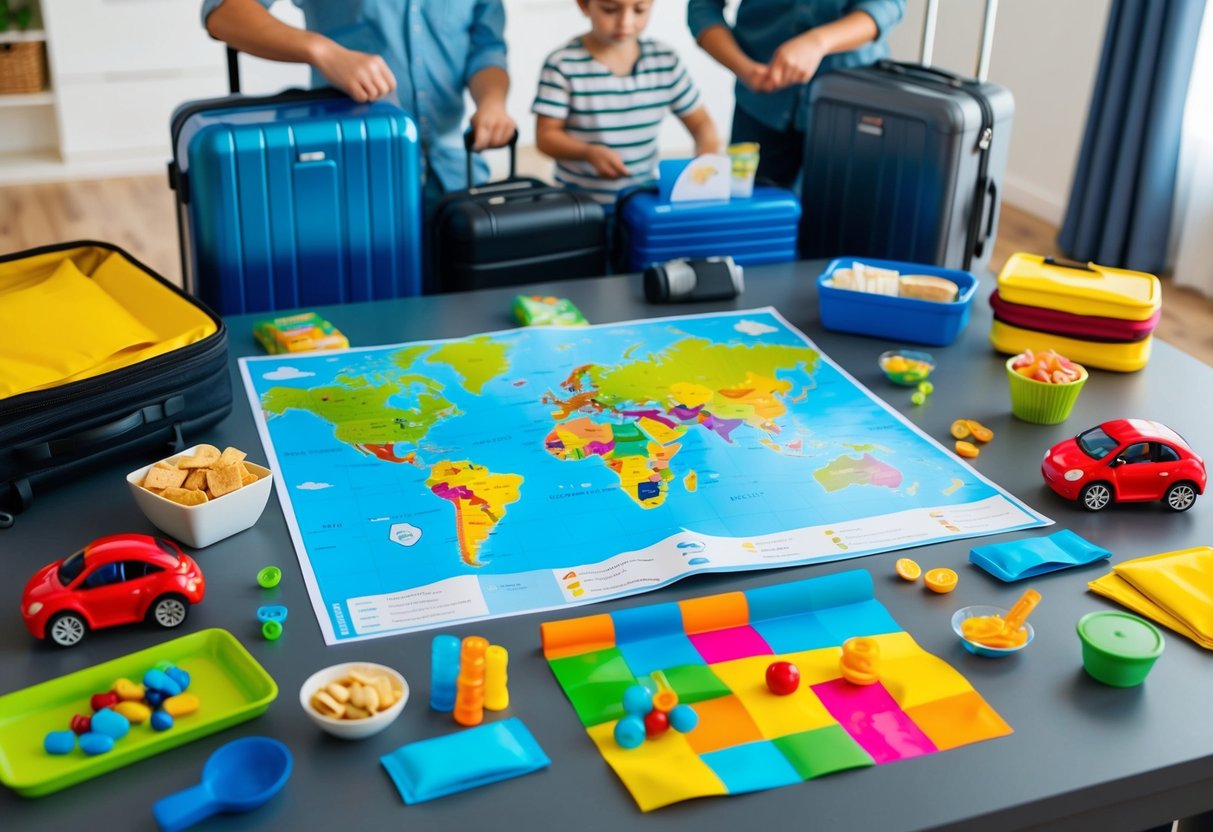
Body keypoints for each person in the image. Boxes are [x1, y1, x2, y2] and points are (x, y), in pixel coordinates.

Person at [201, 0, 517, 198]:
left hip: (456, 173)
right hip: (357, 177)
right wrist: (322, 51)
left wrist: (492, 103)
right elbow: (222, 12)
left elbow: (487, 49)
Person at [688, 0, 905, 189]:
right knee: (754, 224)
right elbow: (703, 5)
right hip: (759, 109)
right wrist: (744, 68)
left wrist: (818, 41)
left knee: (841, 225)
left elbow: (886, 5)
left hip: (850, 108)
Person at [532, 0, 720, 207]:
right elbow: (546, 136)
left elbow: (701, 124)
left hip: (640, 201)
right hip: (579, 205)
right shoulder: (562, 65)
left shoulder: (665, 61)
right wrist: (588, 153)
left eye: (639, 10)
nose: (626, 22)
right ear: (584, 5)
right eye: (610, 9)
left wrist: (705, 158)